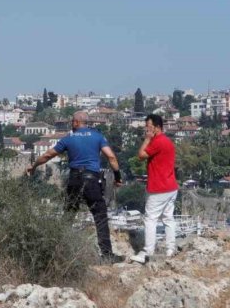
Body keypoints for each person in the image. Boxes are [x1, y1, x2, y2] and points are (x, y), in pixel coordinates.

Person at [27, 111, 123, 262]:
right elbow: (111, 157)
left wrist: (33, 167)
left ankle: (57, 253)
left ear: (77, 122)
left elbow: (47, 155)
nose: (71, 124)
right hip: (91, 180)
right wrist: (117, 177)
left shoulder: (68, 138)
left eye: (72, 122)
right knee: (100, 216)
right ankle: (107, 255)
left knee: (68, 215)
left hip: (74, 180)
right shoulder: (97, 136)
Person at [131, 114, 178, 264]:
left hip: (158, 187)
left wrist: (147, 139)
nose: (146, 129)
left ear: (157, 127)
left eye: (149, 127)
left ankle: (147, 251)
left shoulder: (157, 141)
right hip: (171, 186)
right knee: (168, 218)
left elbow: (140, 155)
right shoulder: (167, 141)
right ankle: (171, 249)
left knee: (150, 219)